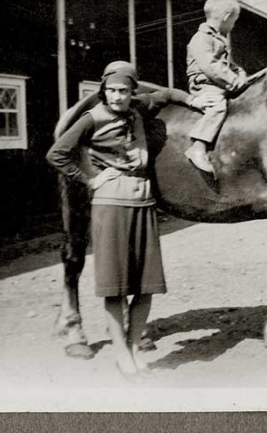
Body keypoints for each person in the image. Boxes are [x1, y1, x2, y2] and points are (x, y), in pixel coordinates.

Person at [46, 60, 204, 380]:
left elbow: (164, 95)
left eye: (123, 90)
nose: (117, 96)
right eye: (111, 90)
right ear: (103, 91)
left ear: (134, 91)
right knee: (115, 287)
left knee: (146, 286)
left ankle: (133, 349)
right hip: (111, 203)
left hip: (143, 202)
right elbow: (57, 153)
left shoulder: (137, 108)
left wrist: (191, 99)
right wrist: (90, 178)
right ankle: (122, 355)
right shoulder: (93, 117)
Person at [184, 0, 249, 176]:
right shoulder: (201, 38)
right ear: (227, 17)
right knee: (218, 106)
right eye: (234, 22)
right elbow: (210, 66)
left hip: (219, 83)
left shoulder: (218, 39)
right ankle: (198, 147)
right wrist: (234, 81)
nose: (233, 26)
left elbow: (231, 66)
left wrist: (242, 75)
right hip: (204, 85)